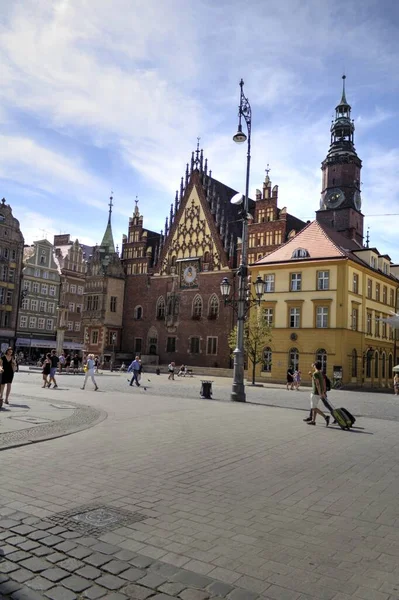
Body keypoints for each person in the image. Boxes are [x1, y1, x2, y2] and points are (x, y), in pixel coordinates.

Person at [304, 361, 330, 426]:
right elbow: (323, 382)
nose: (313, 366)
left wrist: (320, 393)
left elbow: (317, 384)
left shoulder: (315, 373)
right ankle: (313, 421)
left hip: (315, 393)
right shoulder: (320, 373)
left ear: (315, 366)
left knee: (313, 408)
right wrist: (323, 391)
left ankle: (325, 417)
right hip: (319, 392)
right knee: (314, 407)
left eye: (314, 366)